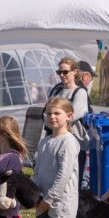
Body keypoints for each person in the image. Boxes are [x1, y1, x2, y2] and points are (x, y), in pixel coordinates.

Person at [45, 57, 89, 187]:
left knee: (71, 179)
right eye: (59, 72)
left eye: (65, 72)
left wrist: (52, 120)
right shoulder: (56, 90)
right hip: (53, 139)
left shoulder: (80, 92)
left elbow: (74, 115)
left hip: (74, 140)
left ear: (75, 71)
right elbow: (45, 113)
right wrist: (52, 120)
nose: (62, 75)